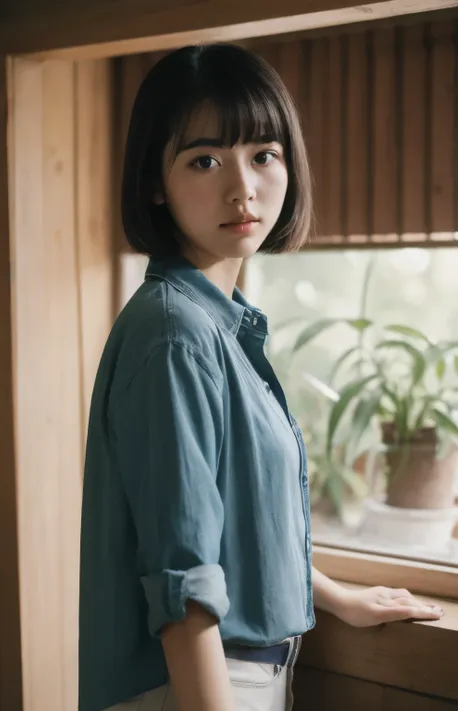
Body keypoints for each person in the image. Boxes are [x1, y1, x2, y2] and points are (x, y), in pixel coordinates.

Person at [78, 43, 444, 711]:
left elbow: (239, 522)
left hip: (239, 672)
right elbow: (183, 584)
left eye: (263, 155)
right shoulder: (177, 336)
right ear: (157, 182)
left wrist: (336, 595)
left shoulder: (218, 323)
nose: (242, 187)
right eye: (205, 159)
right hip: (197, 681)